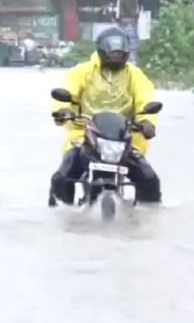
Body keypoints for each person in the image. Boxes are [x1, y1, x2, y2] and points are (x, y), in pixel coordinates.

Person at [50, 26, 161, 204]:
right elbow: (66, 90)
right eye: (112, 51)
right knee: (62, 177)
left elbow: (145, 98)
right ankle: (65, 212)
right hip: (85, 133)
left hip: (124, 137)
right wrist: (63, 110)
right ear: (101, 50)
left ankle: (149, 212)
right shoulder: (82, 71)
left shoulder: (135, 75)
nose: (116, 55)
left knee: (149, 178)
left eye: (120, 52)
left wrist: (147, 121)